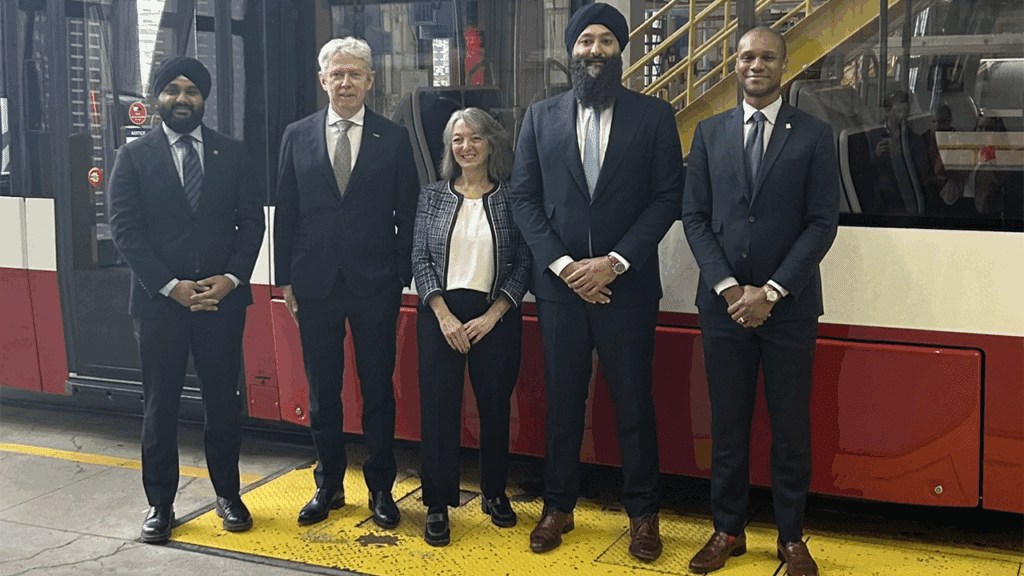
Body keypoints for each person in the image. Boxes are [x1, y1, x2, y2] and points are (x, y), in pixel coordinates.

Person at [509, 3, 685, 563]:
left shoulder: (654, 117)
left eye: (606, 41)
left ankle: (643, 515)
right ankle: (558, 506)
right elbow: (523, 199)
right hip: (561, 291)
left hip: (626, 289)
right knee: (562, 403)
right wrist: (563, 267)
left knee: (633, 403)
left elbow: (666, 200)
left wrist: (614, 261)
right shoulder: (540, 117)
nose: (594, 50)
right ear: (571, 49)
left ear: (621, 50)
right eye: (585, 40)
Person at [681, 27, 839, 576]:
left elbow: (823, 224)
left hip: (788, 310)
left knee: (791, 428)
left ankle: (792, 538)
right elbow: (695, 219)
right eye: (747, 55)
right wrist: (729, 288)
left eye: (767, 57)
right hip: (723, 309)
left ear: (784, 65)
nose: (756, 64)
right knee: (728, 426)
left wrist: (770, 291)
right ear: (733, 63)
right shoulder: (708, 132)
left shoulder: (816, 135)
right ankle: (728, 531)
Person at [109, 56, 264, 543]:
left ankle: (228, 494)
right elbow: (125, 231)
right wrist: (170, 285)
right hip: (160, 306)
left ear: (204, 98)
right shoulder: (132, 158)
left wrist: (234, 278)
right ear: (157, 98)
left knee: (223, 403)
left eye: (192, 91)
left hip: (222, 302)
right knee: (160, 407)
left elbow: (252, 223)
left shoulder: (232, 153)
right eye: (172, 90)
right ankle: (160, 504)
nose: (182, 98)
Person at [273, 37, 419, 529]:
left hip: (375, 285)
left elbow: (410, 213)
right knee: (322, 394)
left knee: (378, 391)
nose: (346, 82)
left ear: (370, 80)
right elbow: (286, 213)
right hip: (313, 286)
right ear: (323, 81)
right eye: (337, 74)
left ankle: (381, 490)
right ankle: (329, 486)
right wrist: (283, 280)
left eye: (355, 74)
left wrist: (402, 275)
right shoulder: (296, 135)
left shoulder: (392, 138)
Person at [412, 108, 531, 546]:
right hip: (440, 316)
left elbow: (523, 263)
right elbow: (420, 260)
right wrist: (443, 315)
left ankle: (495, 494)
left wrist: (493, 314)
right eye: (457, 140)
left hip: (494, 315)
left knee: (495, 410)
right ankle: (438, 505)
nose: (466, 147)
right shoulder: (432, 196)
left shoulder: (512, 197)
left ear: (490, 144)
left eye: (474, 138)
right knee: (439, 412)